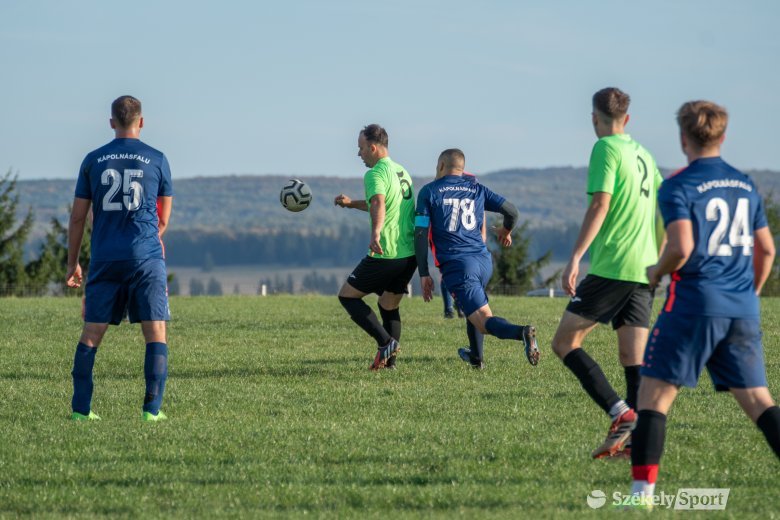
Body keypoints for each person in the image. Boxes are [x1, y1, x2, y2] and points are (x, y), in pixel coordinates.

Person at [629, 101, 779, 507]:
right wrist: (750, 292)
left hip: (695, 304)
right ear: (723, 137)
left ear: (683, 139)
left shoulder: (678, 186)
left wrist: (657, 271)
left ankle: (640, 498)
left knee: (654, 396)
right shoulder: (745, 185)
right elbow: (765, 250)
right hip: (741, 308)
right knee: (757, 400)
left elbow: (681, 246)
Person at [551, 87, 663, 458]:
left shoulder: (605, 148)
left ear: (595, 118)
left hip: (614, 264)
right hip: (644, 268)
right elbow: (661, 214)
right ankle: (636, 442)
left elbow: (601, 203)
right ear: (627, 119)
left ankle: (620, 414)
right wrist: (659, 262)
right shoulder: (644, 155)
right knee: (633, 359)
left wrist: (576, 257)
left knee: (565, 342)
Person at [66, 95, 173, 421]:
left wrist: (73, 263)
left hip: (106, 258)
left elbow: (77, 218)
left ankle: (81, 411)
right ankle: (151, 412)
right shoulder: (157, 159)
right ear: (141, 122)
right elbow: (163, 220)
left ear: (112, 122)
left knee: (91, 333)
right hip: (145, 256)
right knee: (155, 332)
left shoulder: (93, 160)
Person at [415, 148, 539, 369]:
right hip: (483, 261)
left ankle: (522, 332)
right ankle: (476, 358)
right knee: (473, 307)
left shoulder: (429, 192)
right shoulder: (476, 188)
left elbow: (420, 234)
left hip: (459, 265)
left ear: (441, 166)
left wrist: (423, 273)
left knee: (483, 321)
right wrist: (506, 231)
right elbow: (512, 212)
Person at [334, 124, 417, 370]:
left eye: (360, 148)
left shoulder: (374, 174)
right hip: (409, 253)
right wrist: (350, 204)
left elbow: (379, 202)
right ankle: (390, 363)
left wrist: (376, 233)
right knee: (388, 305)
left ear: (372, 147)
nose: (358, 154)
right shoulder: (402, 172)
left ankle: (385, 343)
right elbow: (380, 203)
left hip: (386, 252)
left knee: (347, 296)